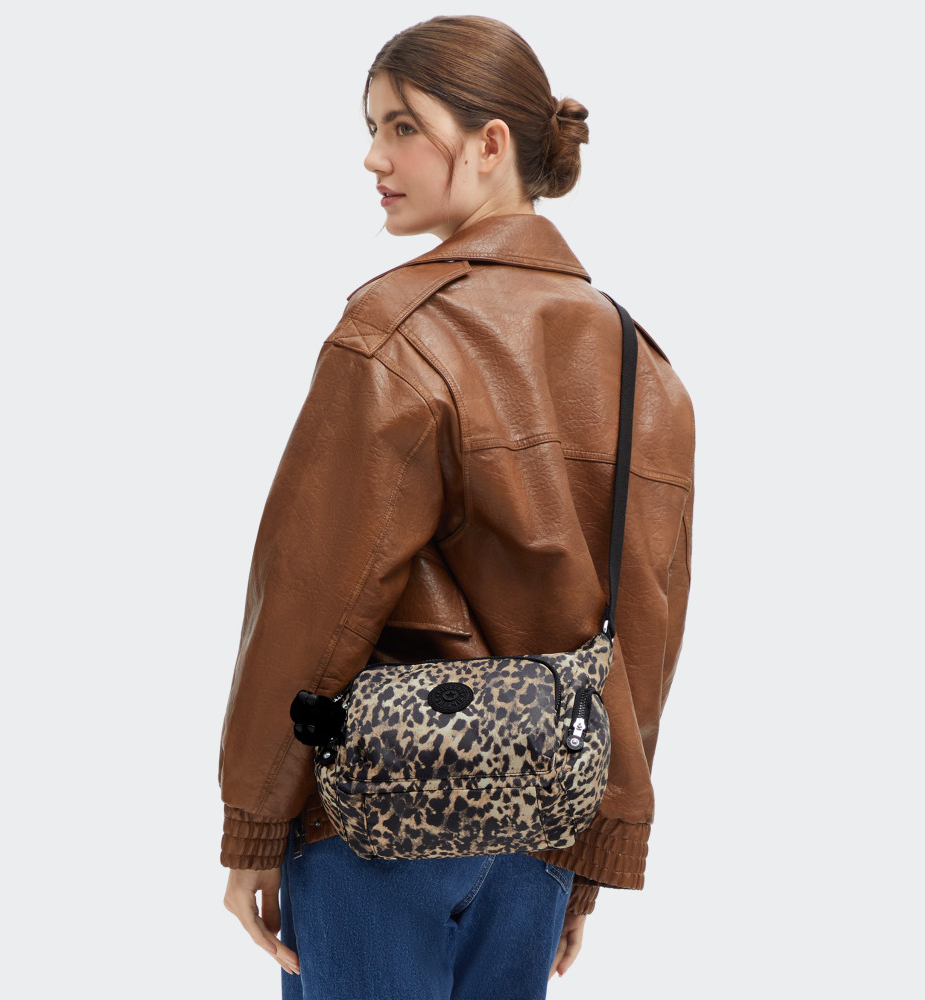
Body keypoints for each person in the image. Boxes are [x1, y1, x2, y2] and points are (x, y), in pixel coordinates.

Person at [219, 15, 694, 1000]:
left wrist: (254, 823)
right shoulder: (637, 362)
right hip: (537, 823)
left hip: (379, 818)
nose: (373, 157)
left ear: (489, 144)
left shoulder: (395, 333)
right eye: (371, 128)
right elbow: (643, 630)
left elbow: (313, 597)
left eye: (402, 127)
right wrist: (592, 845)